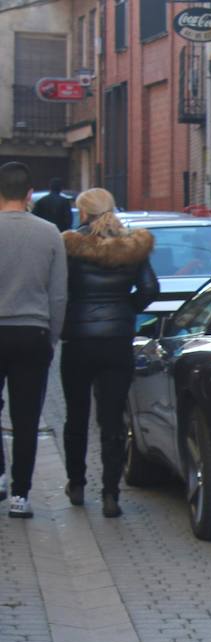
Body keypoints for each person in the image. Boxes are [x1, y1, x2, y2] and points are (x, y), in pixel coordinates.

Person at [60, 187, 159, 518]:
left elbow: (59, 289)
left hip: (78, 339)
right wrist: (124, 310)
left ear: (84, 214)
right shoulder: (133, 247)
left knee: (76, 414)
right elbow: (149, 289)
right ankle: (111, 494)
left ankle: (76, 484)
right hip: (117, 340)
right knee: (112, 418)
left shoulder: (72, 246)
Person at [0, 161, 67, 519]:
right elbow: (58, 294)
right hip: (32, 332)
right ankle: (20, 496)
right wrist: (51, 335)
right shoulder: (50, 233)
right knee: (26, 417)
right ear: (29, 195)